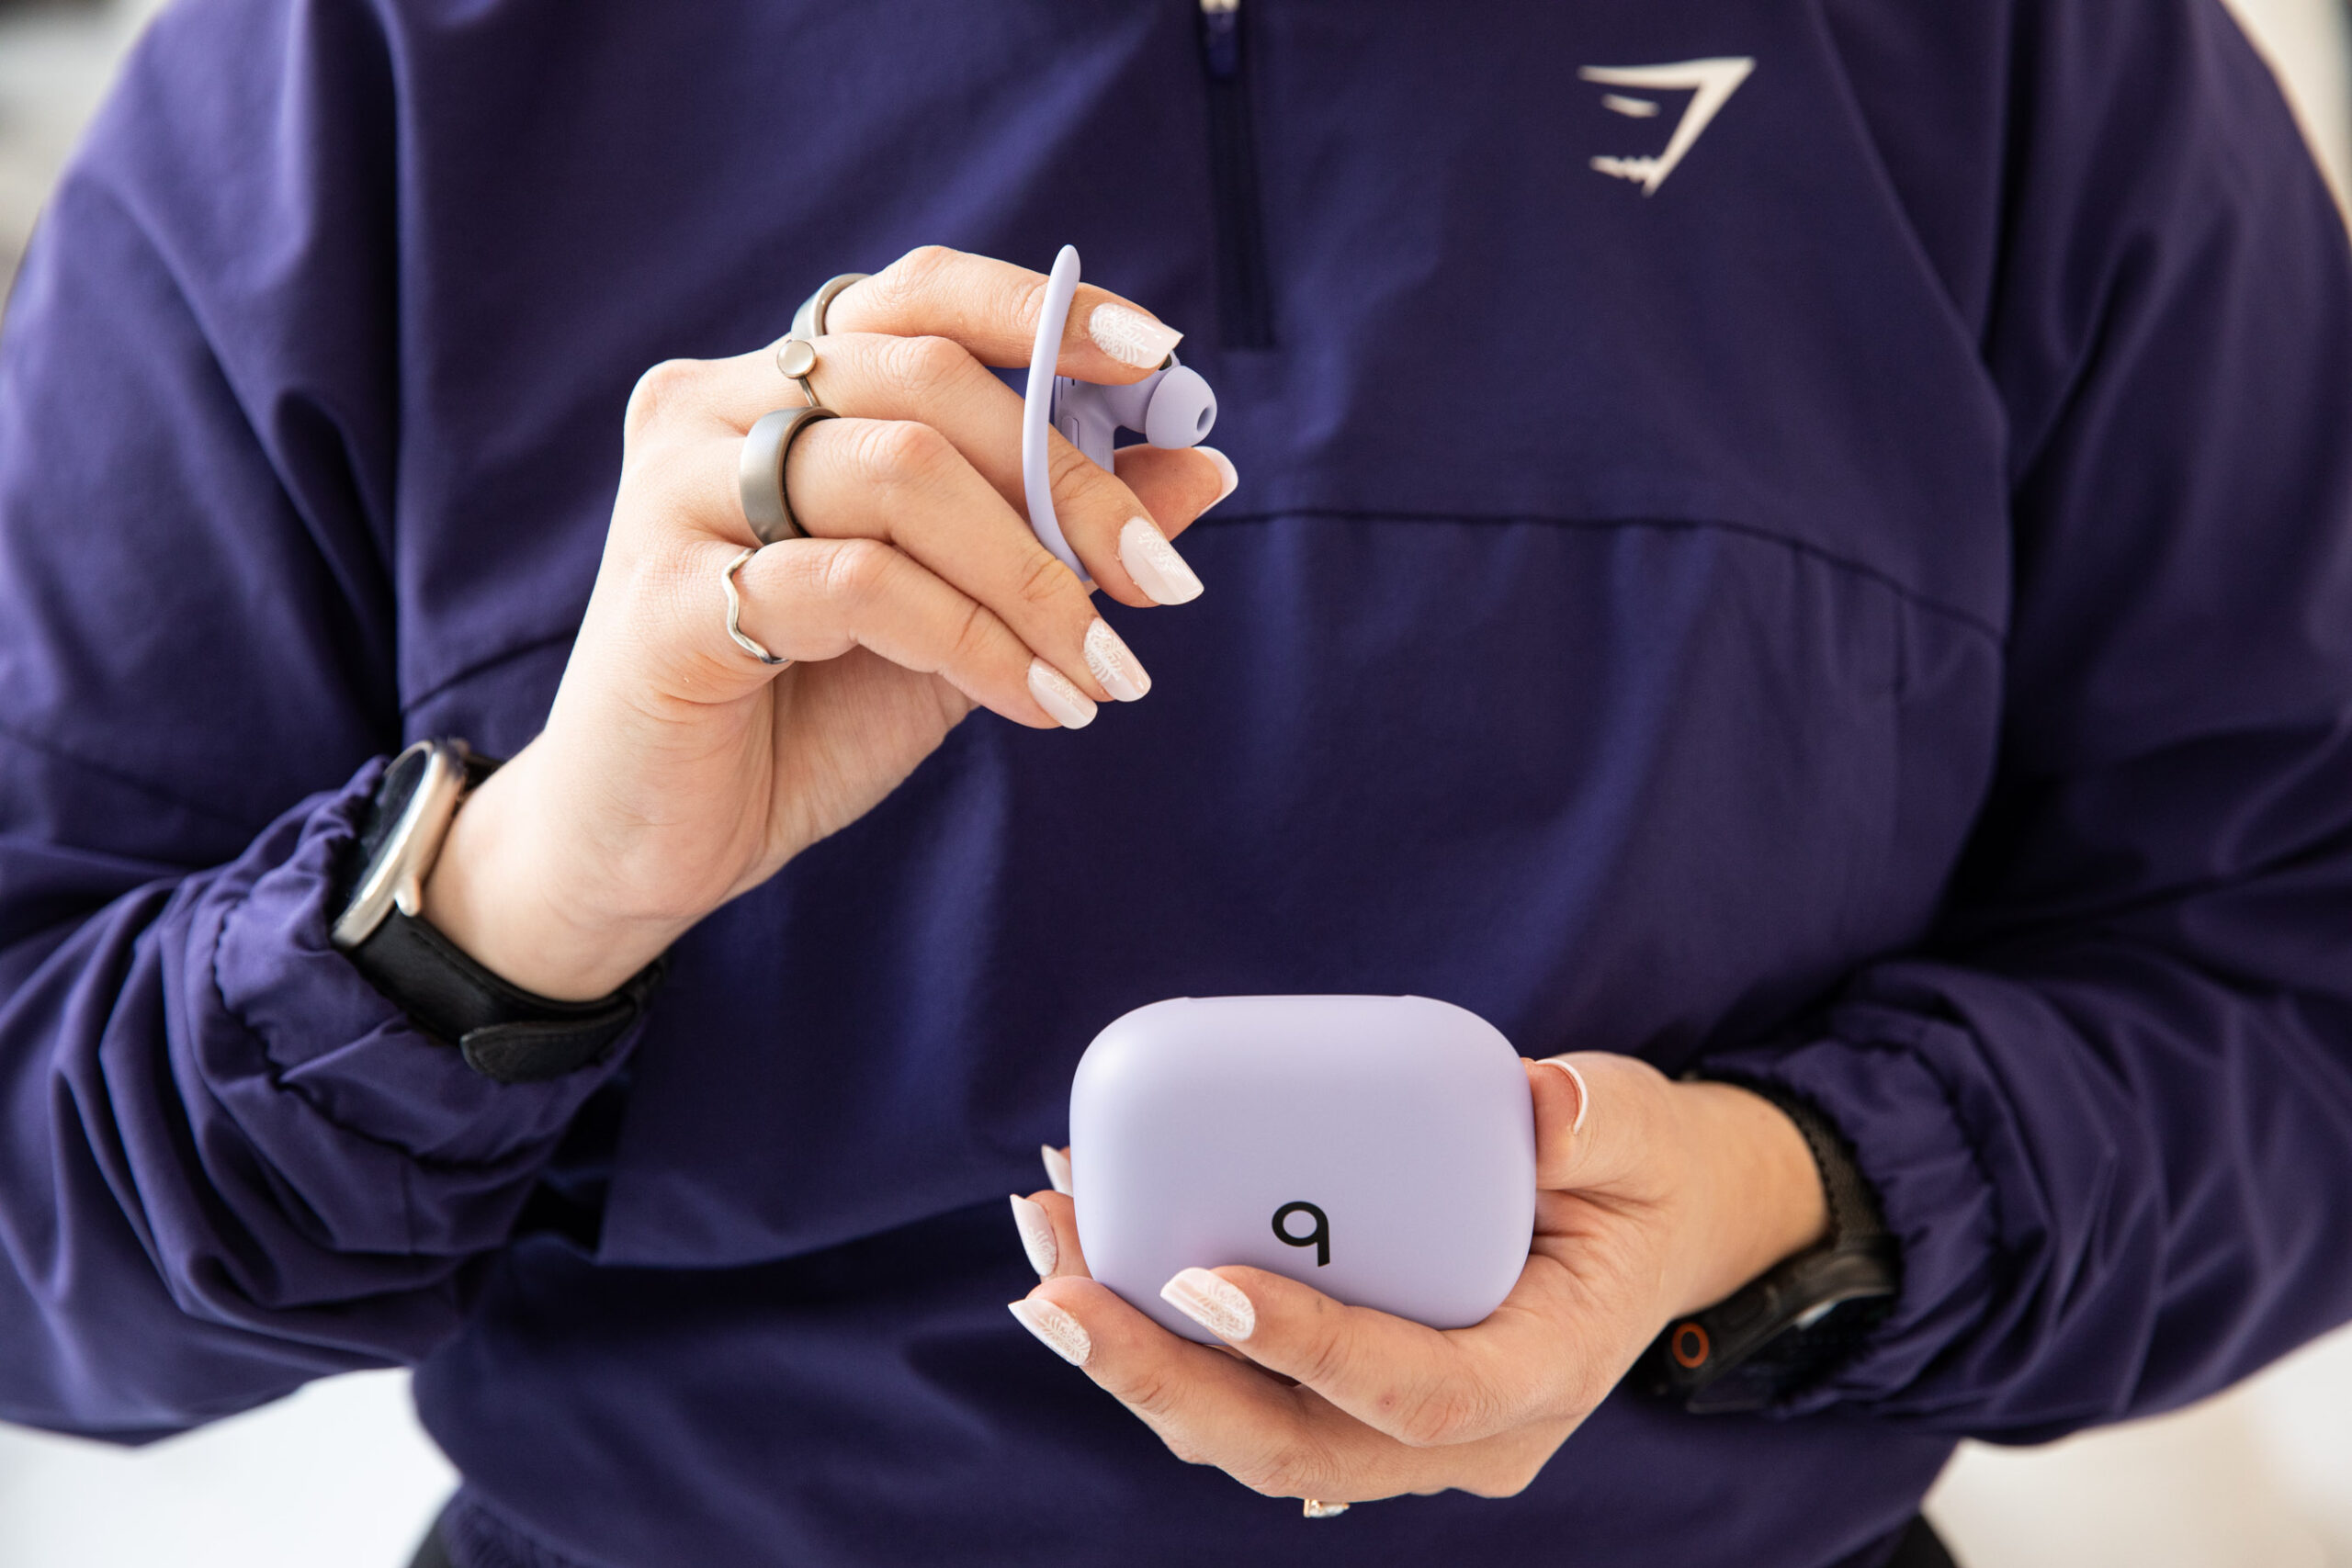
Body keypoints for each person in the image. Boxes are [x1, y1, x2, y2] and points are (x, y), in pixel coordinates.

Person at [2, 0, 2348, 1564]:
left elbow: (2294, 962)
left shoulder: (2023, 52)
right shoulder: (347, 69)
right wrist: (509, 892)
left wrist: (1784, 1195)